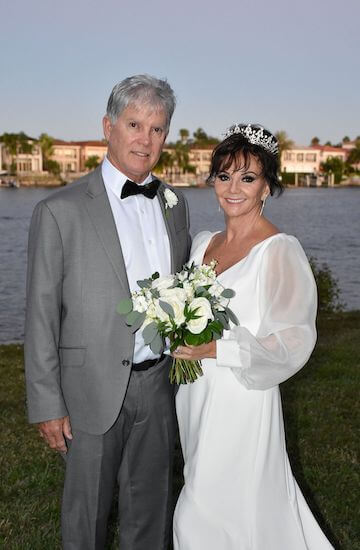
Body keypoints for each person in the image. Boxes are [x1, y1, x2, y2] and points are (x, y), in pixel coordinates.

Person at [24, 74, 191, 550]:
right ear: (108, 127)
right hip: (88, 392)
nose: (145, 139)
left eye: (157, 129)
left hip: (158, 386)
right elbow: (39, 314)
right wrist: (47, 403)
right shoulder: (60, 210)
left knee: (150, 514)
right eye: (134, 124)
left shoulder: (173, 205)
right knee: (86, 521)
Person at [172, 124, 334, 549]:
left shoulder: (279, 250)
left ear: (267, 187)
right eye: (224, 176)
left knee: (200, 516)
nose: (233, 188)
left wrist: (217, 348)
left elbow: (294, 340)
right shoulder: (204, 244)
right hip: (195, 395)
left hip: (242, 399)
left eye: (248, 178)